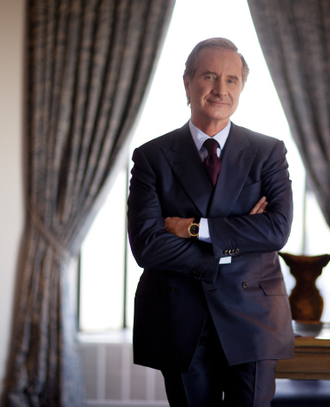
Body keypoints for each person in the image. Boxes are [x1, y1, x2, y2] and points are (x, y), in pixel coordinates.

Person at [126, 37, 295, 407]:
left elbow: (277, 230)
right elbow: (147, 246)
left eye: (232, 80)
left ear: (242, 88)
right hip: (181, 317)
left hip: (254, 318)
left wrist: (192, 228)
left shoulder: (268, 152)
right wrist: (235, 242)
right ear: (187, 82)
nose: (221, 90)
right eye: (209, 76)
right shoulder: (152, 157)